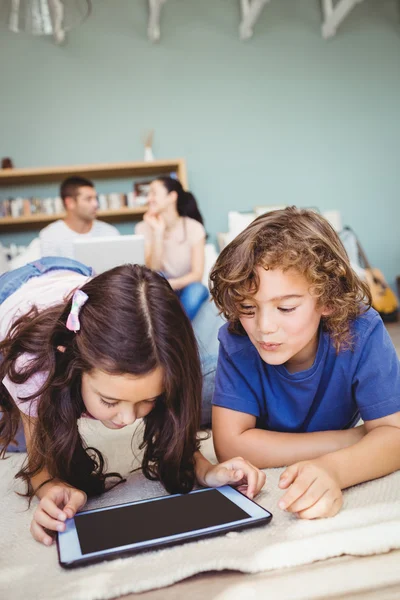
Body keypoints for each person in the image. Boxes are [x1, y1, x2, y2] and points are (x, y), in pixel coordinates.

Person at [0, 258, 265, 546]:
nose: (126, 419)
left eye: (148, 399)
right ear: (74, 364)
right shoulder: (35, 365)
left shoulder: (159, 357)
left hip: (77, 276)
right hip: (13, 298)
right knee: (18, 435)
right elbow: (40, 466)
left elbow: (173, 432)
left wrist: (206, 470)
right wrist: (51, 486)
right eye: (109, 400)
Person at [209, 207, 400, 520]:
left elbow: (394, 437)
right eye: (247, 307)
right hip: (213, 374)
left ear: (326, 299)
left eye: (285, 308)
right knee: (185, 393)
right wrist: (352, 439)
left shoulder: (363, 331)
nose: (264, 327)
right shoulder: (239, 341)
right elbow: (230, 448)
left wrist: (334, 469)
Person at [135, 177, 209, 321]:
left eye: (154, 193)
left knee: (198, 289)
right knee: (154, 282)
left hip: (185, 287)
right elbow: (152, 271)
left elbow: (197, 275)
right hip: (158, 287)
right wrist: (158, 233)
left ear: (172, 197)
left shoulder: (194, 228)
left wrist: (171, 284)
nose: (149, 199)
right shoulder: (142, 228)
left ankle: (177, 330)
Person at [39, 177, 119, 258]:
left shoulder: (110, 233)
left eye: (95, 198)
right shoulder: (50, 236)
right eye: (88, 199)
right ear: (70, 203)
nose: (96, 204)